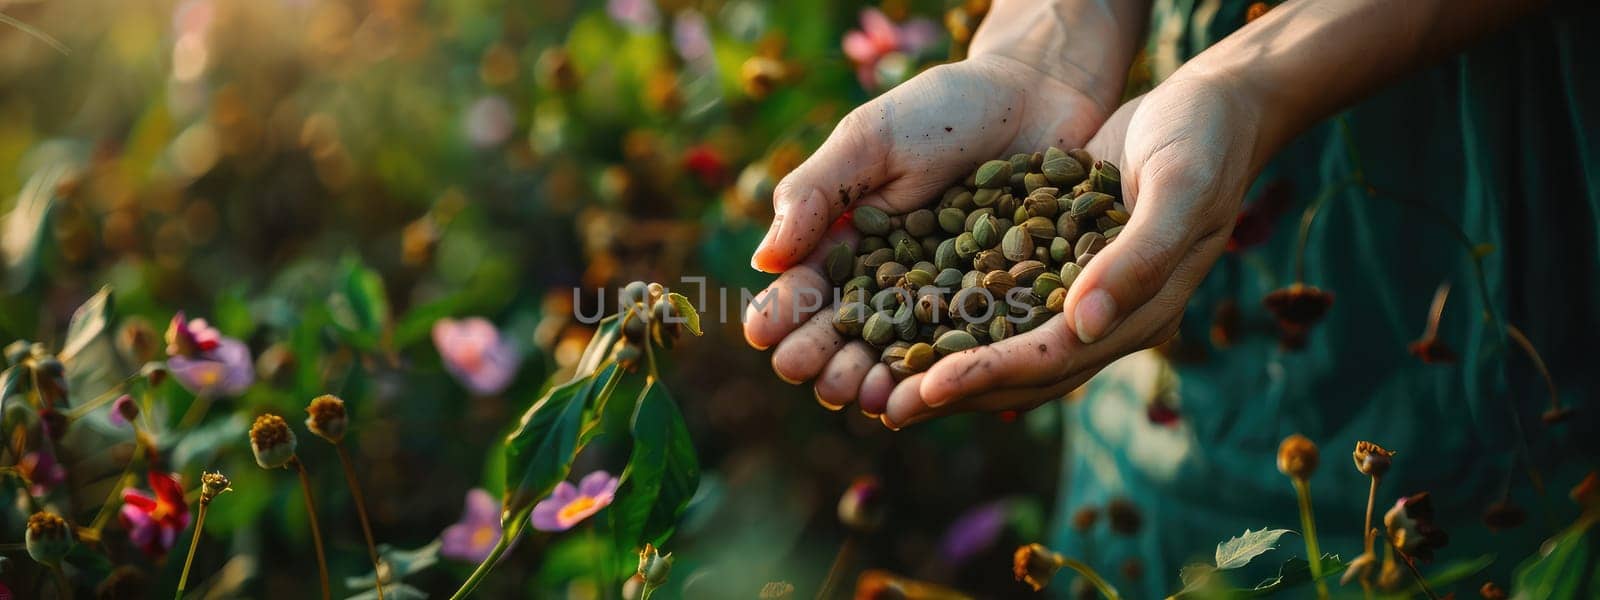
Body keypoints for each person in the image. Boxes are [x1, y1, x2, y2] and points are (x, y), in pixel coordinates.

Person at [743, 0, 1598, 595]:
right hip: (1185, 122)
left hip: (1494, 161)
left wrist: (1251, 83)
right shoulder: (1044, 203)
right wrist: (1036, 50)